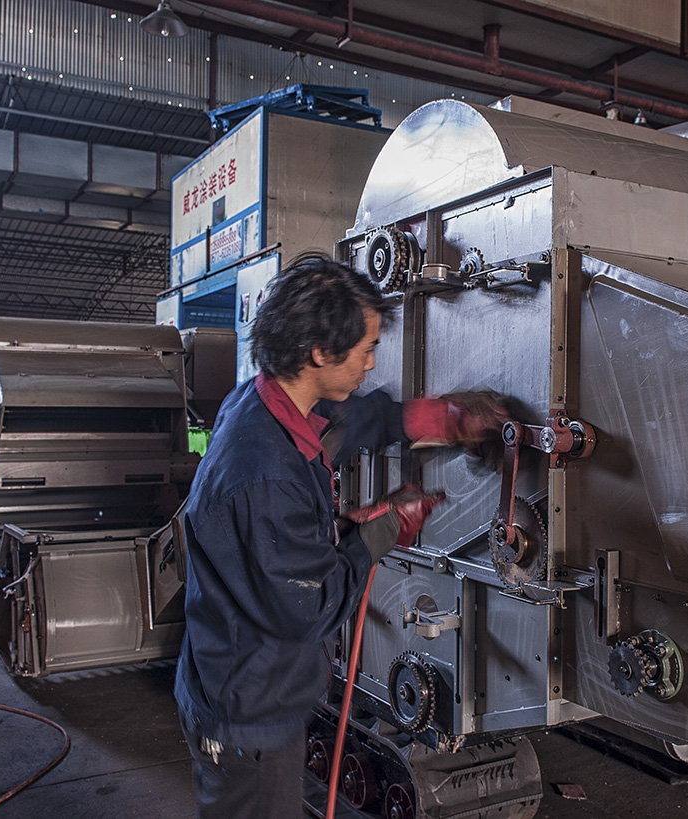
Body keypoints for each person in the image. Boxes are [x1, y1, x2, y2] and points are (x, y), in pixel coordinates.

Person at [174, 256, 509, 818]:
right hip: (248, 712)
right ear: (320, 353)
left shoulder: (263, 403)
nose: (371, 364)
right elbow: (312, 606)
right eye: (365, 349)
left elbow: (351, 421)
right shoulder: (264, 472)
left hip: (236, 681)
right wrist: (383, 528)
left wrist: (443, 420)